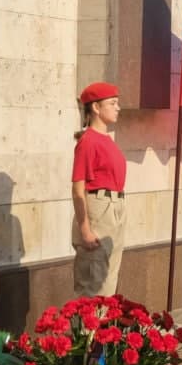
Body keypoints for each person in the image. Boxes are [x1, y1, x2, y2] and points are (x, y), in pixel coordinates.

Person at [71, 81, 127, 297]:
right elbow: (78, 189)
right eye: (112, 103)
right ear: (96, 107)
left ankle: (100, 329)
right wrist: (84, 228)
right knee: (93, 284)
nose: (118, 107)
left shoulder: (106, 140)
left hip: (115, 207)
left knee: (108, 281)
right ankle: (85, 330)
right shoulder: (89, 141)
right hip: (99, 209)